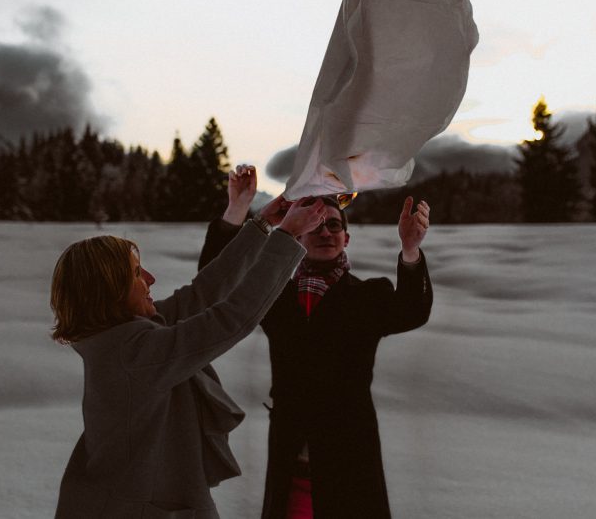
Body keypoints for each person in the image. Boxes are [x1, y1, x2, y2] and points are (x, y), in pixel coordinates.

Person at [51, 176, 326, 519]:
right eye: (136, 273)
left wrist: (261, 226)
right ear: (109, 290)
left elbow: (202, 294)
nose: (150, 278)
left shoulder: (123, 338)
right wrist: (286, 238)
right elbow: (230, 319)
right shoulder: (135, 353)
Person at [197, 166, 433, 519]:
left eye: (334, 225)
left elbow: (412, 310)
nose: (325, 232)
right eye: (316, 225)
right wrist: (237, 209)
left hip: (349, 459)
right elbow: (216, 282)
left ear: (346, 239)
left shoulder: (367, 297)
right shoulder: (274, 294)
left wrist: (410, 250)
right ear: (298, 236)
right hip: (290, 456)